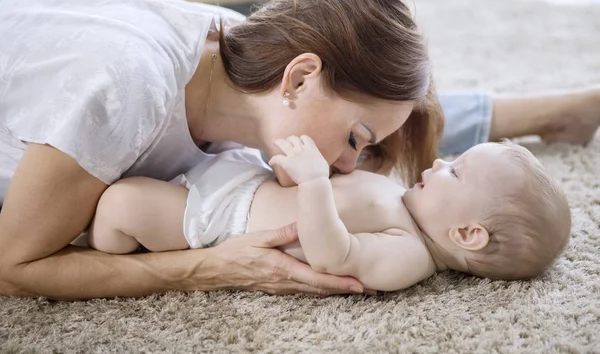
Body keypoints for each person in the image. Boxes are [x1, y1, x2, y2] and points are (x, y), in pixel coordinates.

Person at [0, 0, 598, 300]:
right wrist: (203, 268)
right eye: (355, 139)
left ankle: (531, 110)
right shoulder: (124, 90)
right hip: (83, 69)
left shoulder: (246, 53)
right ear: (301, 76)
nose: (350, 164)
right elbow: (13, 267)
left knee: (393, 141)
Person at [87, 135, 571, 291]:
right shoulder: (406, 202)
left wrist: (316, 182)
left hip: (218, 216)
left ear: (467, 234)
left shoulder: (410, 258)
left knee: (121, 201)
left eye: (457, 173)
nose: (441, 161)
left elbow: (331, 255)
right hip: (248, 179)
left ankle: (100, 250)